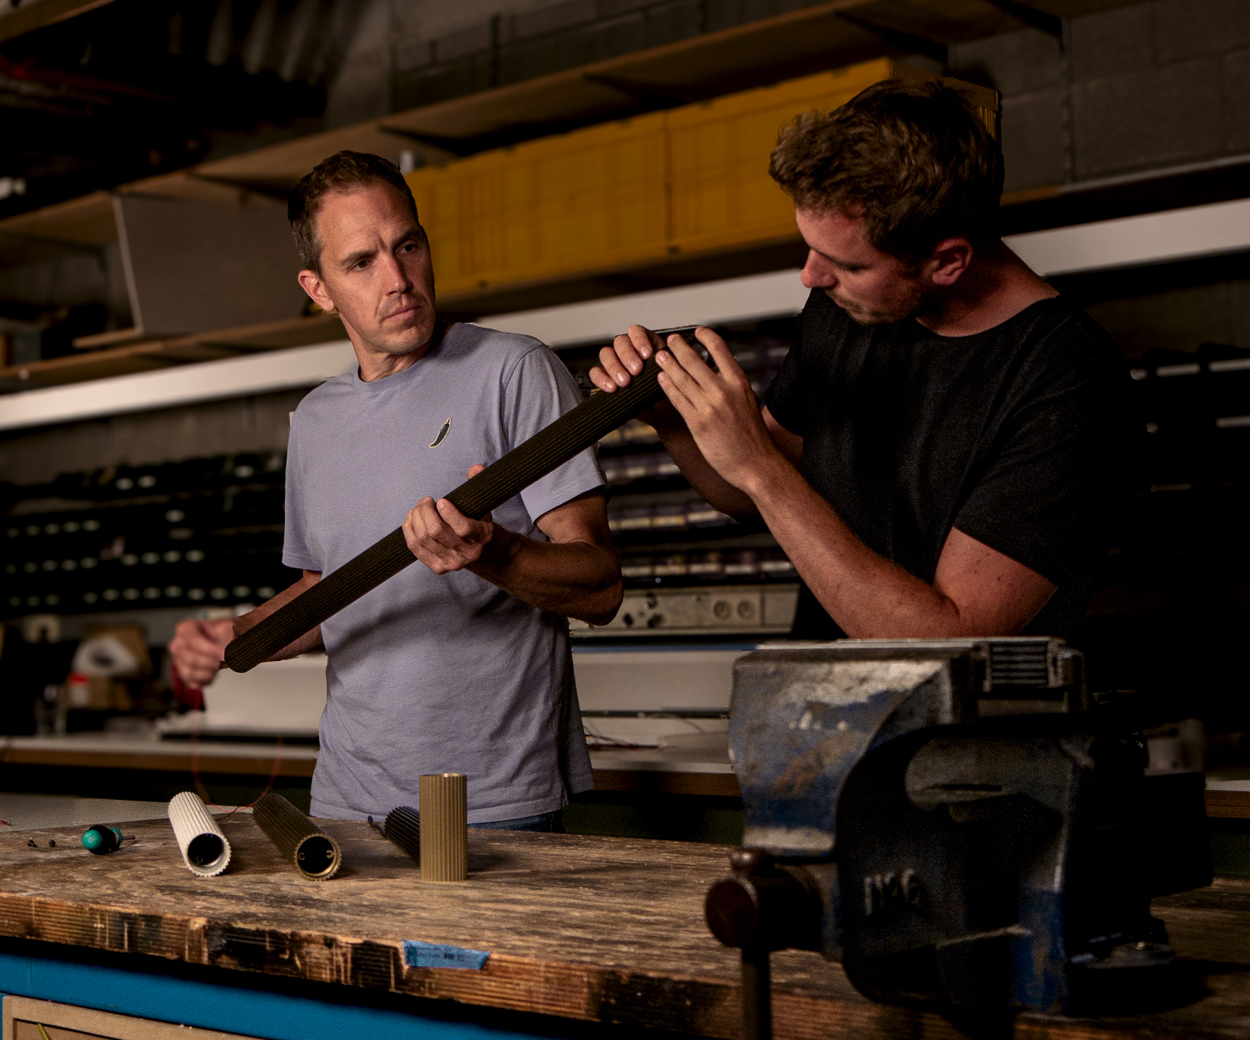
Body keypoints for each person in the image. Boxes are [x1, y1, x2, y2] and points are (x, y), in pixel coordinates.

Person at [169, 151, 621, 829]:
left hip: (491, 801)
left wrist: (494, 554)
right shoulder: (315, 420)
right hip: (346, 801)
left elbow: (601, 587)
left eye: (407, 246)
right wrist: (233, 634)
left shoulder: (514, 371)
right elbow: (326, 593)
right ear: (319, 288)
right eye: (361, 262)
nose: (399, 279)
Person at [591, 78, 1133, 640]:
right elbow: (750, 494)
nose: (811, 277)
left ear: (947, 262)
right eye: (811, 249)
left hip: (959, 699)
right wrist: (675, 420)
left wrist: (760, 467)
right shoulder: (848, 311)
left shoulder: (1071, 383)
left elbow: (949, 638)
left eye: (849, 265)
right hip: (826, 688)